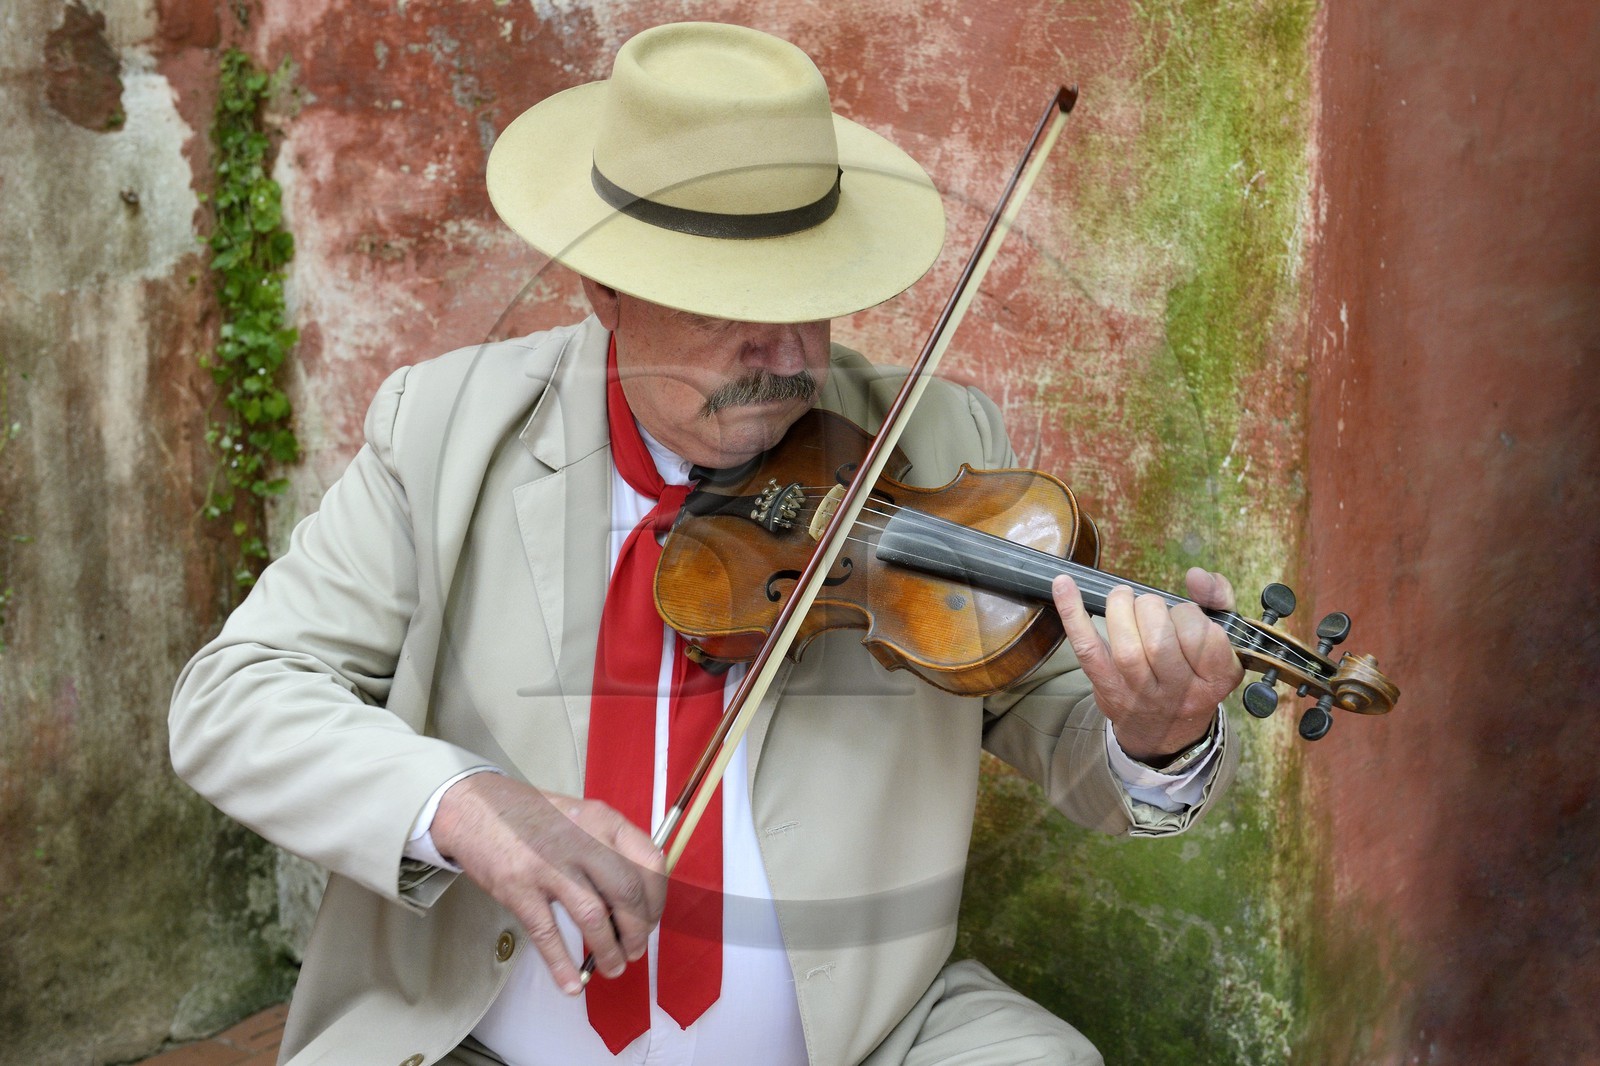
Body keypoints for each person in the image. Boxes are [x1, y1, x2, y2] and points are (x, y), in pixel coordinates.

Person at [170, 21, 1244, 1066]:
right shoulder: (443, 432)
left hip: (869, 1038)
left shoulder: (931, 440)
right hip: (468, 1040)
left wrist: (1153, 737)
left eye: (808, 303)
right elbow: (235, 695)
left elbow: (1059, 732)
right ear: (603, 287)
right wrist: (461, 803)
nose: (782, 354)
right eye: (732, 304)